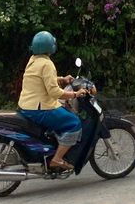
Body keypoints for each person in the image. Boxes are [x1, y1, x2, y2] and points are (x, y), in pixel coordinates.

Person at [17, 30, 86, 172]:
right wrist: (75, 94)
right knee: (74, 123)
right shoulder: (47, 64)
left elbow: (42, 80)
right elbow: (54, 92)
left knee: (62, 112)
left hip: (27, 106)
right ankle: (57, 159)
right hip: (40, 109)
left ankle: (54, 144)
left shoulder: (33, 60)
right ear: (50, 47)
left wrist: (61, 79)